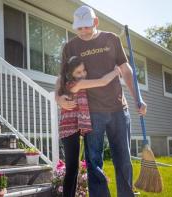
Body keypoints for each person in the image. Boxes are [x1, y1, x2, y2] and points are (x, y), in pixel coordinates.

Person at [55, 5, 147, 197]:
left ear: (95, 22)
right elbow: (61, 78)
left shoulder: (111, 39)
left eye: (86, 27)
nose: (83, 32)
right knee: (94, 162)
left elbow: (126, 70)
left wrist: (138, 98)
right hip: (91, 113)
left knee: (123, 160)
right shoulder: (70, 46)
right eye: (79, 28)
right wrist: (58, 98)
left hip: (118, 109)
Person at [58, 56, 120, 197]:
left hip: (76, 128)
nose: (83, 74)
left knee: (74, 168)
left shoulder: (74, 83)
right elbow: (102, 81)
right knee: (72, 168)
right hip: (69, 129)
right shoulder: (75, 84)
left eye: (84, 71)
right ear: (71, 74)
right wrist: (116, 72)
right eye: (78, 72)